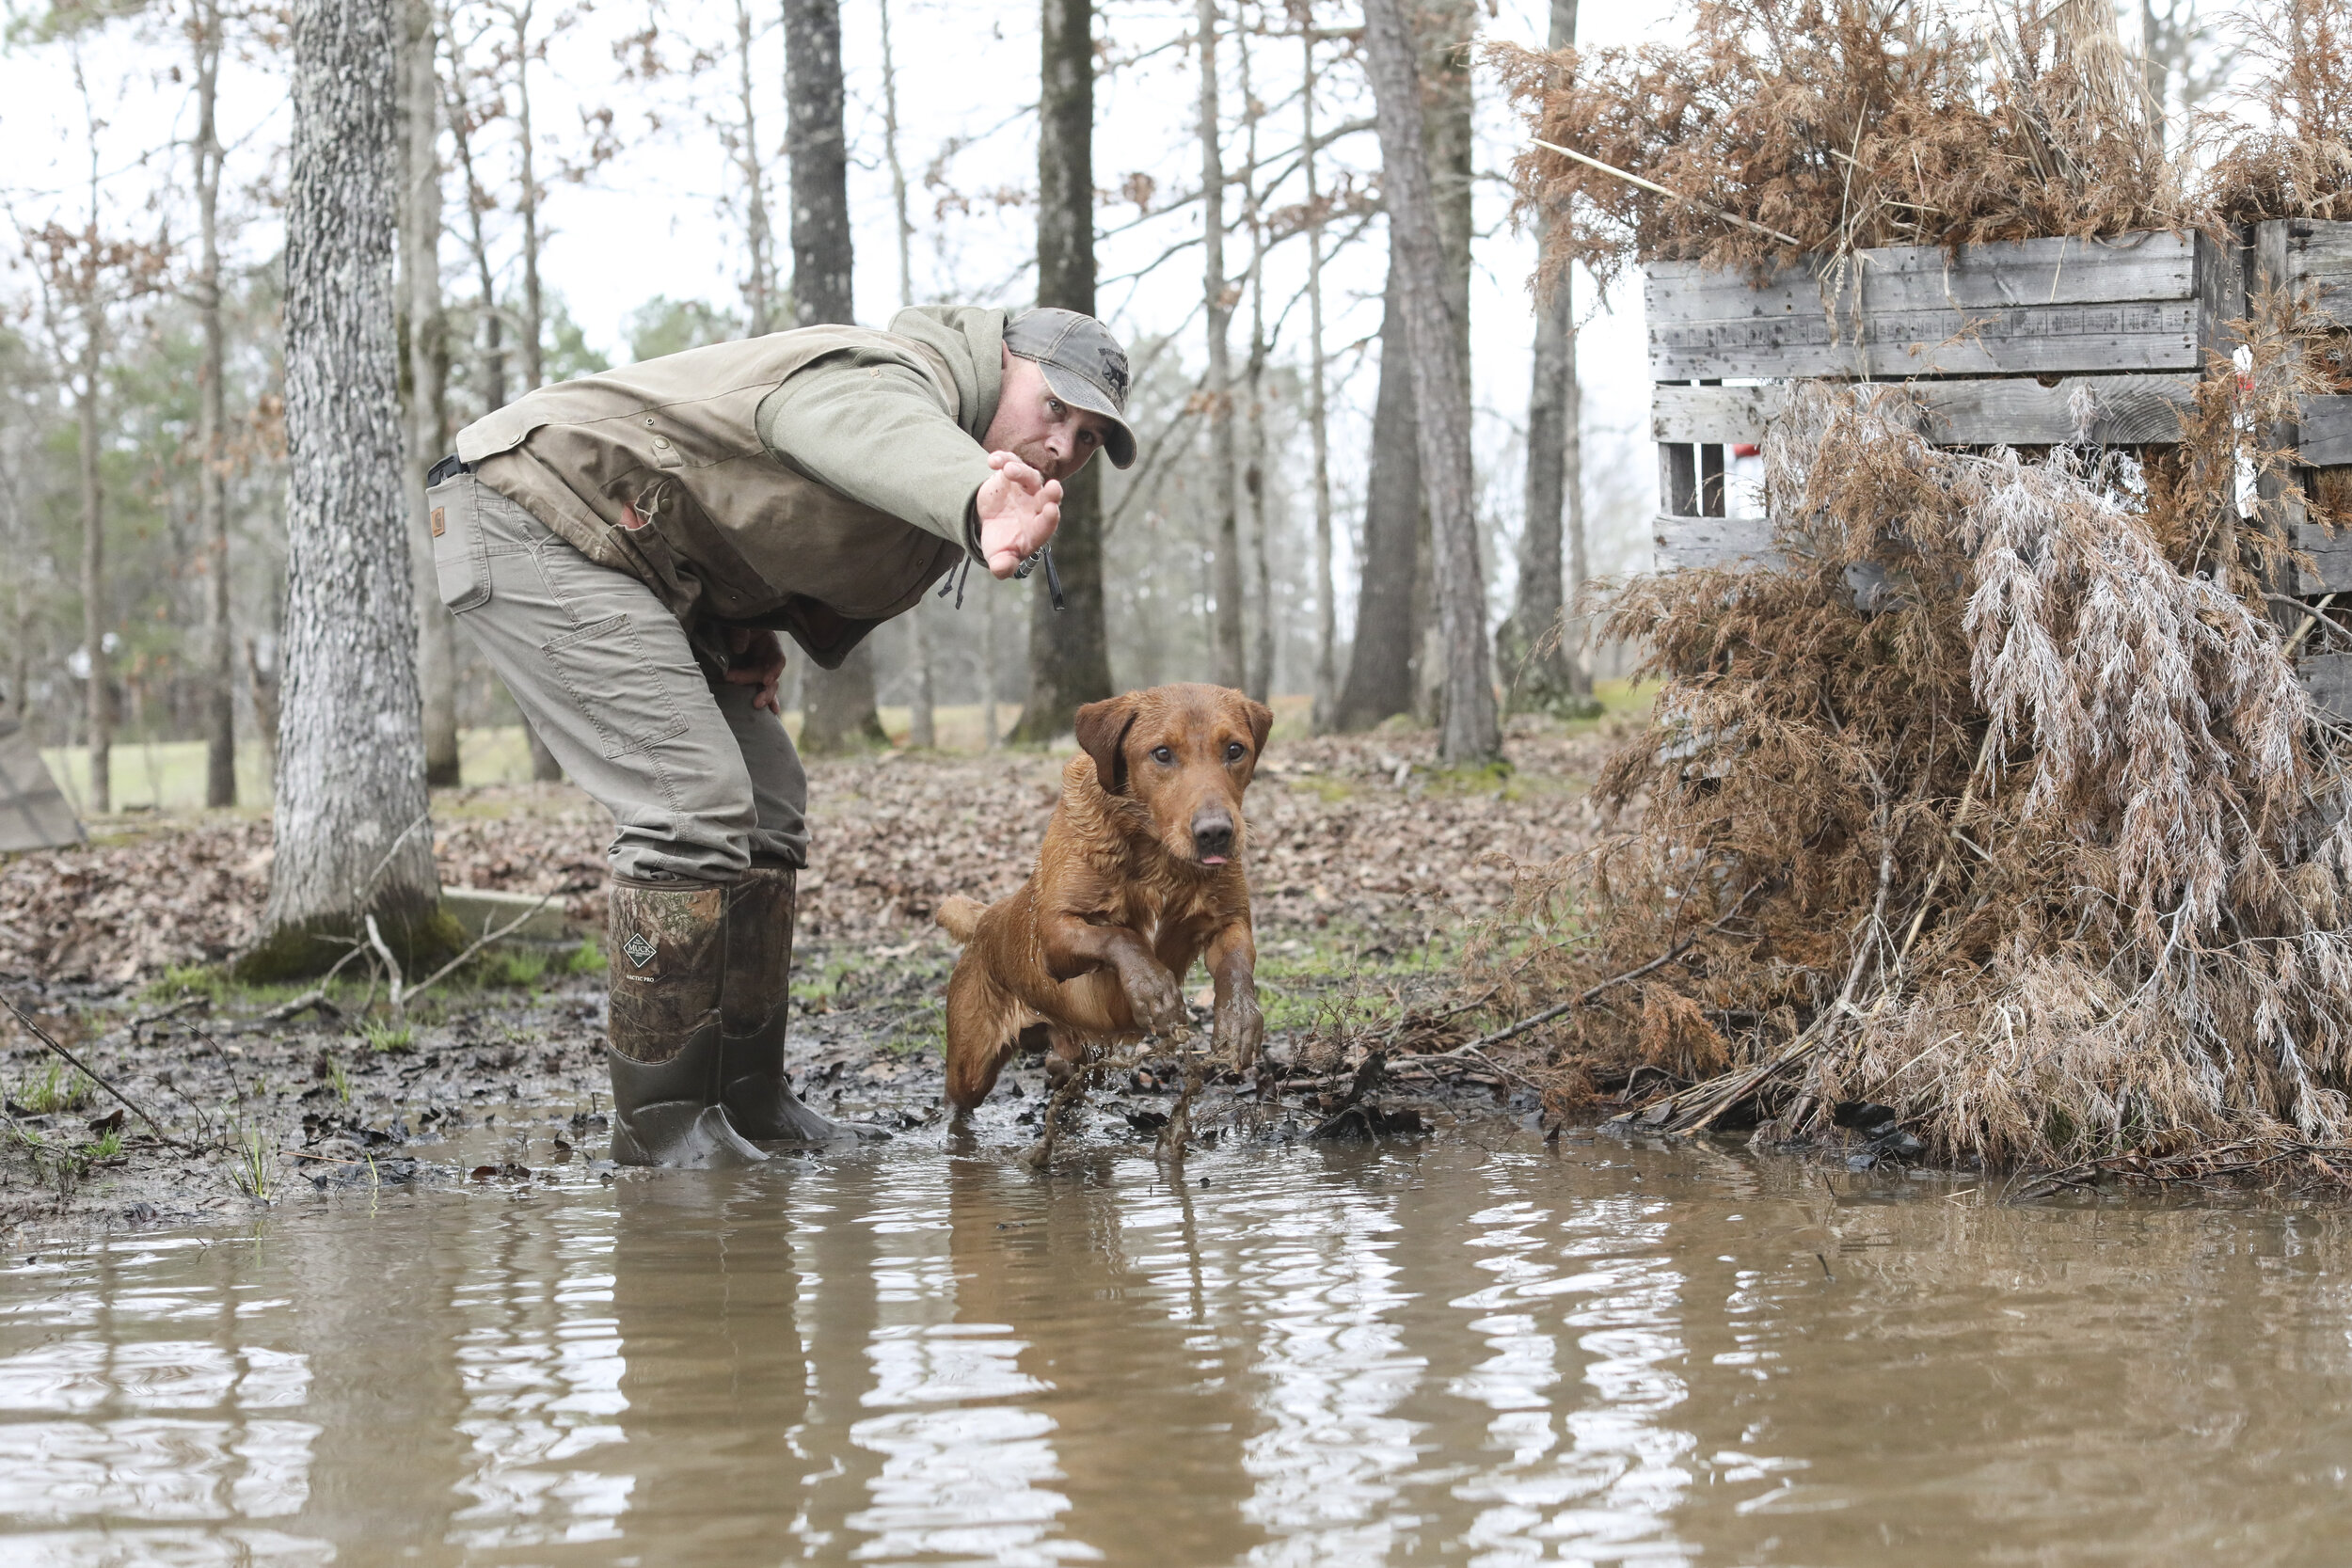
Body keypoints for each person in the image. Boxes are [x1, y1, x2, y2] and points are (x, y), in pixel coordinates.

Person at [425, 306, 1135, 1167]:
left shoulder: (954, 442)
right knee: (689, 800)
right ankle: (663, 1127)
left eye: (1090, 436)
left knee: (766, 794)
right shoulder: (892, 376)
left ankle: (747, 1099)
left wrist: (746, 631)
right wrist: (975, 494)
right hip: (527, 509)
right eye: (1054, 407)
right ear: (1003, 361)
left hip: (648, 564)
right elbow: (864, 431)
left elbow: (757, 517)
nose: (1064, 444)